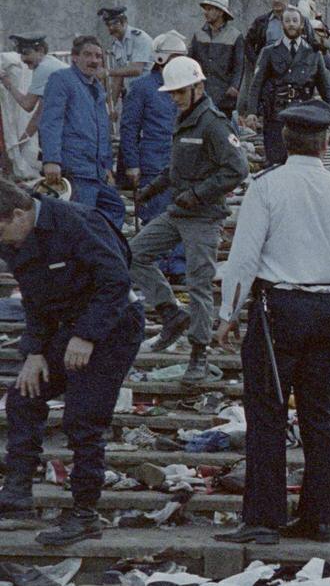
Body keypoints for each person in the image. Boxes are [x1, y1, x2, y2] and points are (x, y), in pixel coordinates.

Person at [213, 101, 330, 545]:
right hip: (324, 309)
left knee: (267, 413)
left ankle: (264, 518)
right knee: (317, 414)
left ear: (284, 140)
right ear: (325, 142)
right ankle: (319, 517)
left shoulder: (267, 187)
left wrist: (228, 314)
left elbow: (244, 257)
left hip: (276, 310)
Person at [0, 178, 143, 546]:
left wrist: (87, 335)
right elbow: (33, 298)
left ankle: (84, 513)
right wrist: (33, 351)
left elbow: (116, 281)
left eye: (3, 231)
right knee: (23, 396)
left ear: (19, 214)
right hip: (65, 327)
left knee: (82, 416)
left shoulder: (78, 222)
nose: (3, 243)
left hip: (112, 325)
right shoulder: (16, 238)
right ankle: (17, 494)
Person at [129, 56, 249, 386]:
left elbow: (237, 169)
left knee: (198, 285)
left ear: (198, 88)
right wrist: (153, 189)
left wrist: (198, 194)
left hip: (203, 217)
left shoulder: (213, 122)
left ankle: (199, 352)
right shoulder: (185, 119)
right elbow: (177, 166)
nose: (174, 98)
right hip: (178, 212)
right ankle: (171, 314)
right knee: (134, 254)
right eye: (173, 93)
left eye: (180, 92)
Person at [37, 36, 125, 228]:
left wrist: (107, 166)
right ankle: (83, 257)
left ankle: (102, 254)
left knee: (115, 208)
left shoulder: (97, 88)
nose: (94, 60)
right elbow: (51, 121)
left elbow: (103, 130)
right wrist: (51, 160)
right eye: (87, 55)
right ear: (74, 57)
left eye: (98, 56)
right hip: (76, 169)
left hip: (97, 172)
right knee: (80, 221)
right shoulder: (61, 80)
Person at [241, 8, 330, 166]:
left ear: (302, 24)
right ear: (282, 25)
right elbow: (256, 84)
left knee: (301, 163)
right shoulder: (269, 52)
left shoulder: (313, 53)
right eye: (287, 21)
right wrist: (251, 112)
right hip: (276, 116)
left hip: (303, 117)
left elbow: (325, 88)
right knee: (275, 163)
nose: (291, 24)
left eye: (295, 21)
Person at [120, 32, 185, 227]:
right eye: (177, 59)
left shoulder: (188, 87)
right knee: (155, 223)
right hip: (153, 167)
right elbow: (129, 127)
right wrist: (132, 164)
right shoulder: (142, 88)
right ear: (161, 58)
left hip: (182, 165)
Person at [0, 34, 65, 148]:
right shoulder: (52, 63)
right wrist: (23, 140)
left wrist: (9, 85)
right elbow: (40, 112)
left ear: (40, 50)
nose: (23, 59)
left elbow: (27, 105)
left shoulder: (43, 69)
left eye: (26, 53)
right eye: (21, 54)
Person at [189, 0, 245, 119]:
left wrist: (234, 86)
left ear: (220, 12)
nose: (205, 13)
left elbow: (239, 65)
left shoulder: (235, 35)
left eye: (209, 9)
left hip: (224, 94)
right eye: (205, 9)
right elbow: (191, 62)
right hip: (201, 92)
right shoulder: (198, 34)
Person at [99, 6, 155, 102]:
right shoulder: (116, 45)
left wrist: (107, 72)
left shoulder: (140, 38)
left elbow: (137, 70)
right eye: (108, 25)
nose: (111, 28)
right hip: (131, 95)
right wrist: (112, 107)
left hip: (148, 94)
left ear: (124, 21)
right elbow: (119, 76)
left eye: (115, 24)